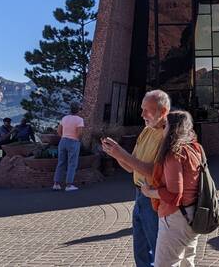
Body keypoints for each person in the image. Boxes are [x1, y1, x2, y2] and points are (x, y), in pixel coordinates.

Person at [101, 90, 170, 267]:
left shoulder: (168, 136)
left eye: (147, 110)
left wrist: (121, 153)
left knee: (158, 252)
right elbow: (132, 167)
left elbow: (155, 172)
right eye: (142, 109)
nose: (142, 114)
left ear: (163, 112)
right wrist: (116, 154)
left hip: (154, 200)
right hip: (139, 196)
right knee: (141, 252)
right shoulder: (146, 131)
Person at [141, 111, 203, 267]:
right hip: (193, 212)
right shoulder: (195, 148)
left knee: (165, 263)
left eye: (166, 125)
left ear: (173, 128)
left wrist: (149, 192)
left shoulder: (174, 153)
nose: (164, 129)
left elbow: (174, 195)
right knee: (187, 261)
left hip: (175, 217)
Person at [52, 103, 85, 192]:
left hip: (63, 141)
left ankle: (56, 184)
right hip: (73, 141)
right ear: (78, 110)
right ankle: (69, 185)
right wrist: (77, 140)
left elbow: (59, 131)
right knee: (72, 163)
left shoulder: (64, 118)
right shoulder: (80, 119)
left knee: (61, 162)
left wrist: (64, 137)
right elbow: (80, 133)